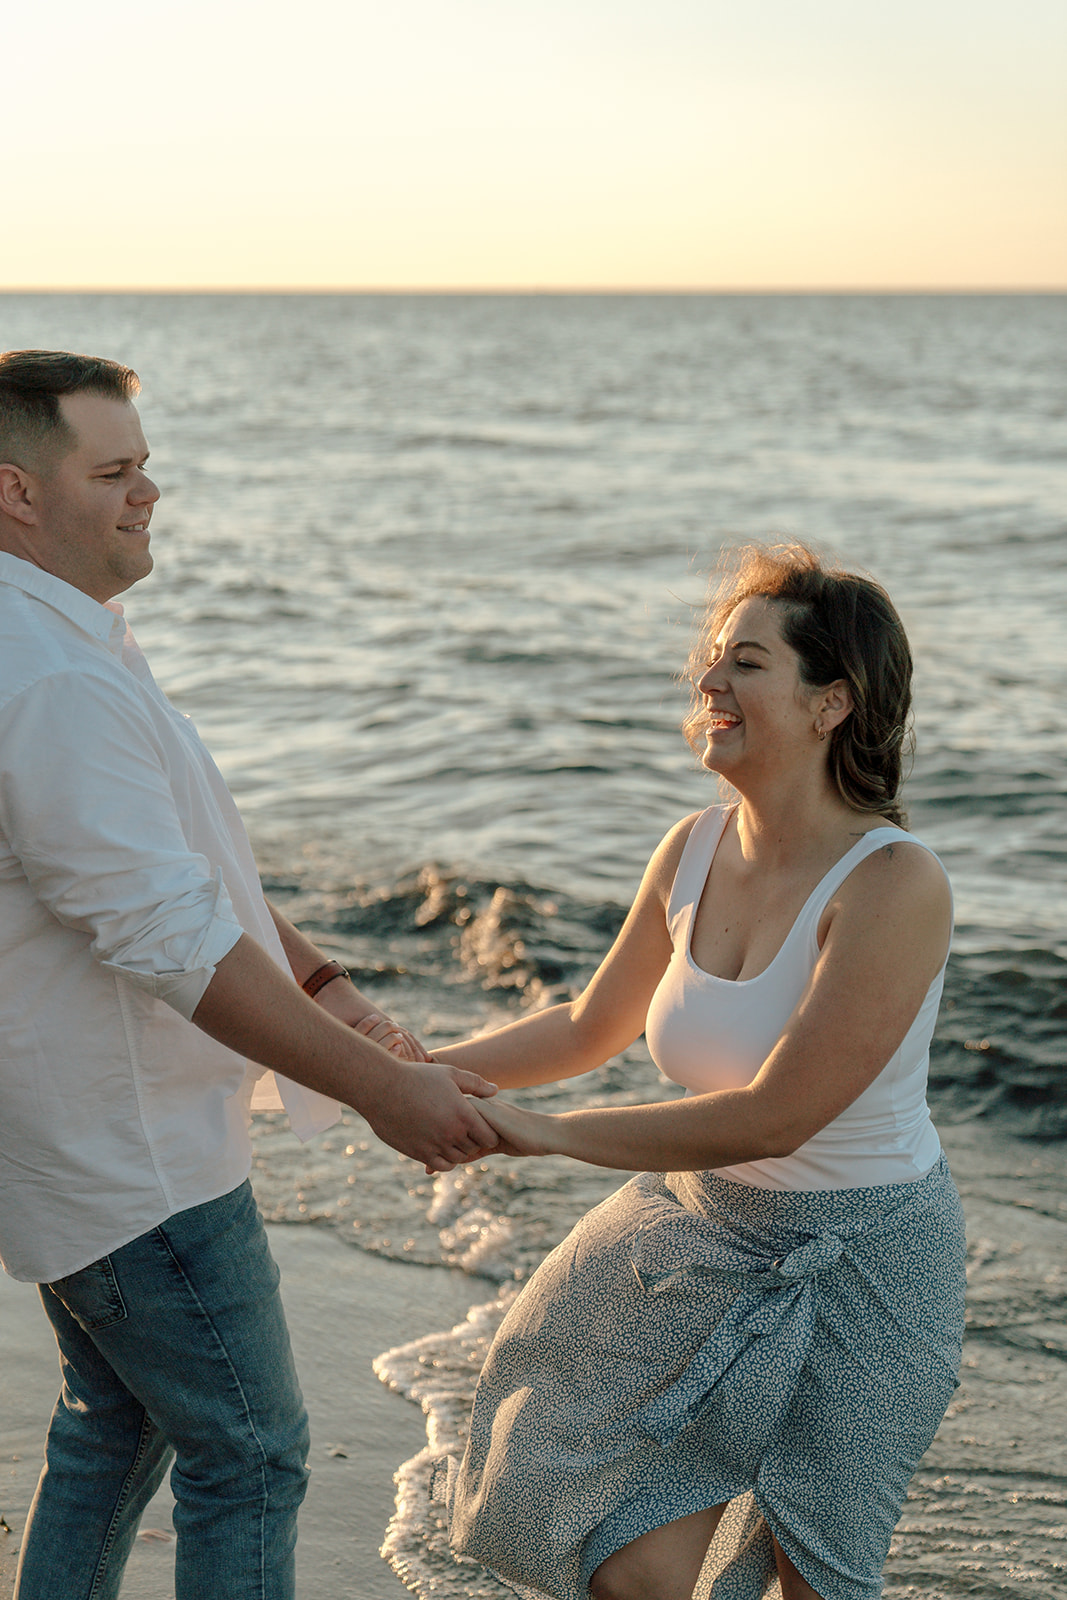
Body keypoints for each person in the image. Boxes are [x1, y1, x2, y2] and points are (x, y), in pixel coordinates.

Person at [0, 348, 499, 1600]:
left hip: (95, 1140)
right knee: (255, 1452)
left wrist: (327, 988)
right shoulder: (49, 675)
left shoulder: (63, 634)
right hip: (134, 1159)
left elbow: (178, 868)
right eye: (112, 471)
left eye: (146, 467)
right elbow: (169, 938)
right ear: (15, 492)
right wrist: (381, 1093)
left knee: (113, 1429)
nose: (147, 493)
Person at [431, 543, 967, 1600]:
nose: (706, 682)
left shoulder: (893, 883)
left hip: (864, 1264)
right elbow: (586, 1025)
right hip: (701, 1228)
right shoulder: (690, 846)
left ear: (831, 703)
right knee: (616, 1556)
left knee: (814, 1579)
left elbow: (777, 1114)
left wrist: (551, 1134)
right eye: (712, 659)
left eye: (746, 664)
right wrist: (400, 1071)